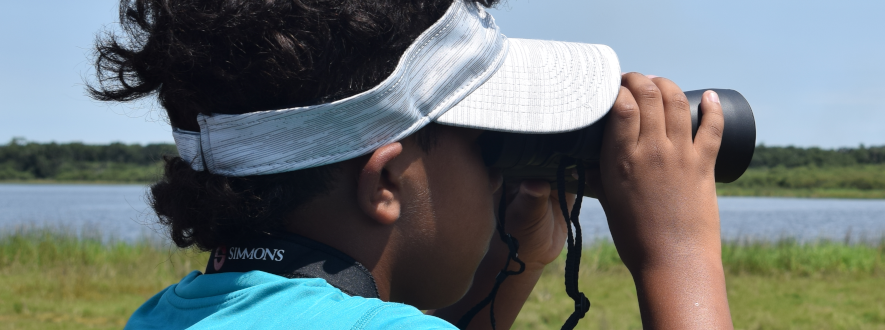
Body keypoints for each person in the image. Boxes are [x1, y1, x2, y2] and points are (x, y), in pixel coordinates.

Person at [89, 0, 733, 328]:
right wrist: (678, 255)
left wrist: (519, 261)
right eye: (491, 146)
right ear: (387, 182)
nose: (501, 176)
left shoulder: (166, 315)